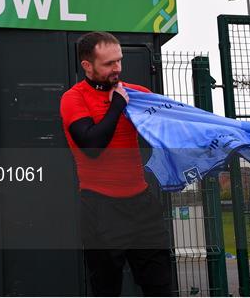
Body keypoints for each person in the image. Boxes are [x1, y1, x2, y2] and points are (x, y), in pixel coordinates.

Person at [59, 31, 172, 296]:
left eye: (119, 61)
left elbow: (176, 123)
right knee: (107, 288)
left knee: (160, 285)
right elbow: (91, 146)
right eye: (109, 63)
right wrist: (117, 106)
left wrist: (230, 133)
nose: (117, 68)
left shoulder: (136, 94)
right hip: (101, 209)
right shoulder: (74, 99)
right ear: (87, 65)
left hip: (142, 205)